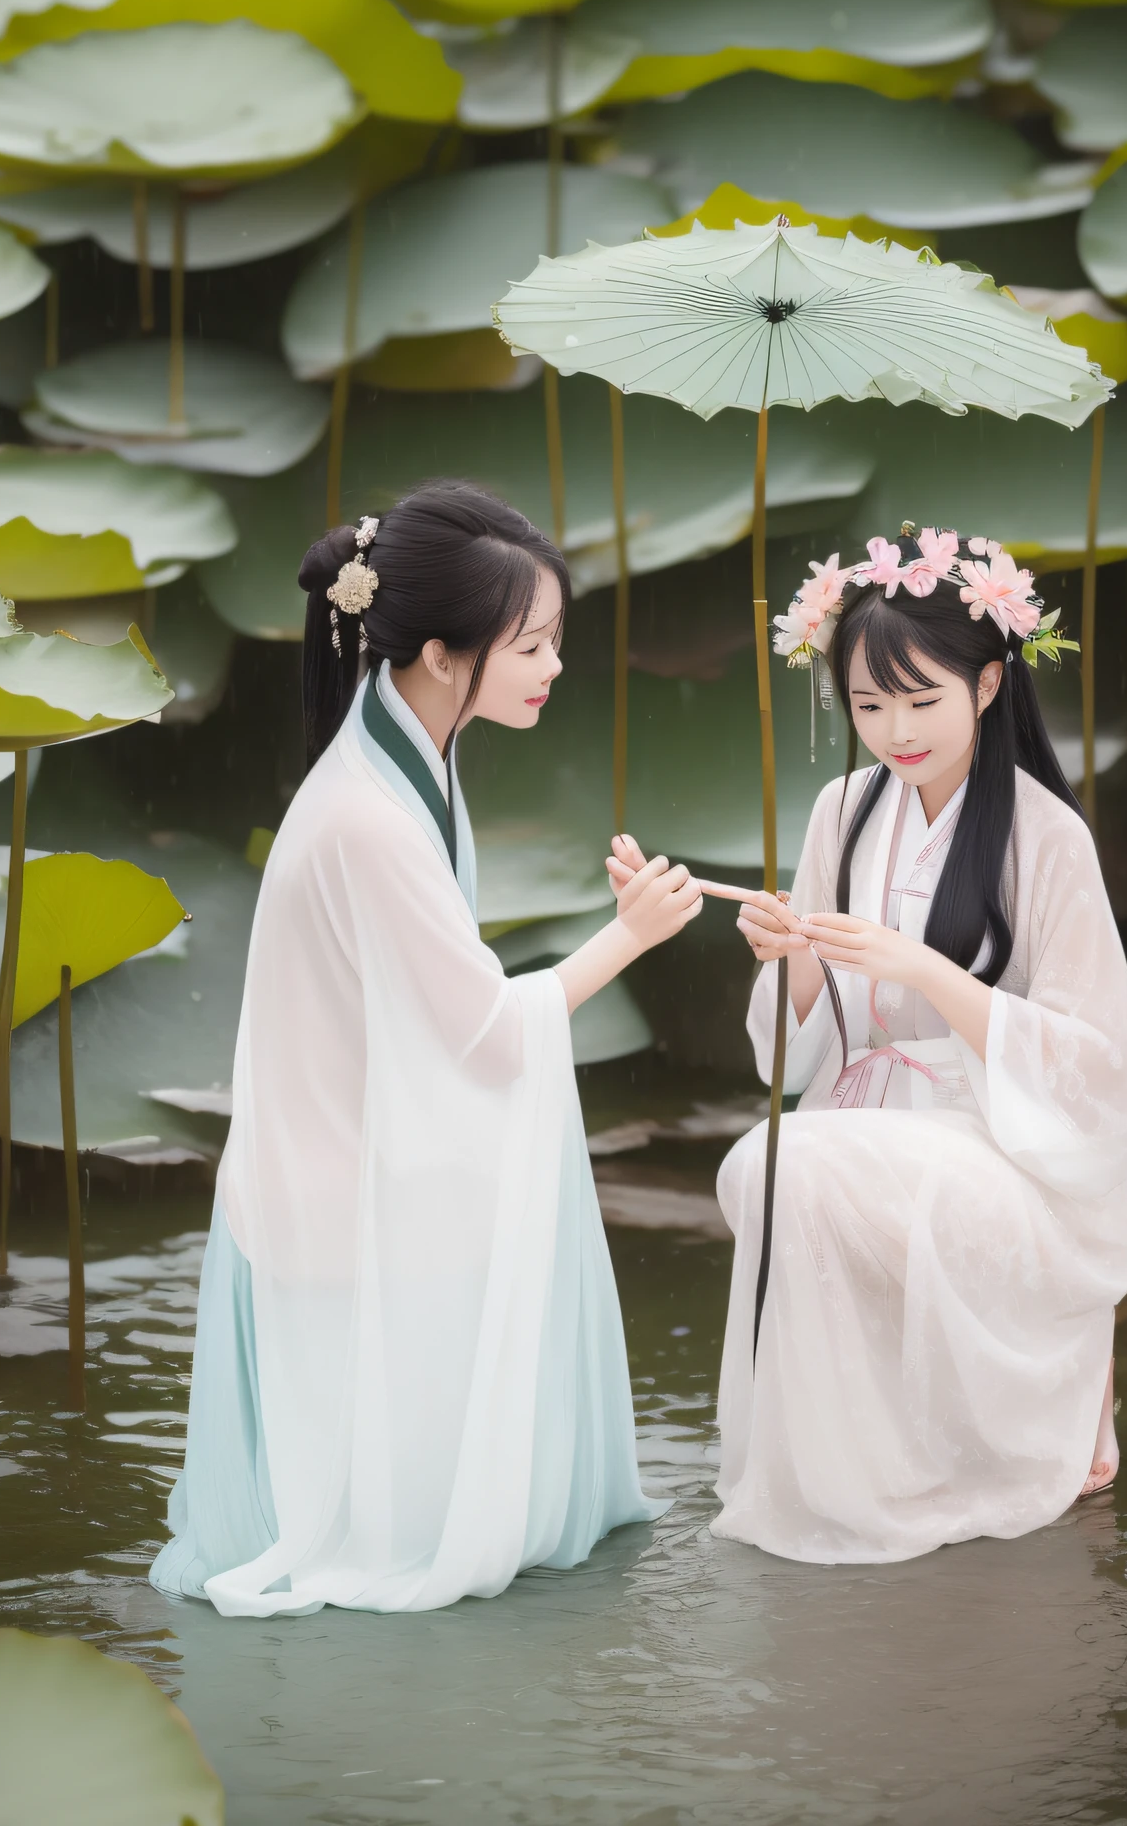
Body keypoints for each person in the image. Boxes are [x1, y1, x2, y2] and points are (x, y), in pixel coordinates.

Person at [153, 481, 701, 1615]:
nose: (553, 666)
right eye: (533, 644)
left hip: (337, 1149)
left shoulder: (411, 753)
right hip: (325, 1189)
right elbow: (491, 1033)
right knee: (521, 1148)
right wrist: (630, 934)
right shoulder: (366, 810)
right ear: (445, 655)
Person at [699, 525, 1127, 1565]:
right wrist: (790, 954)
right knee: (768, 1159)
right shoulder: (838, 812)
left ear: (988, 684)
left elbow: (1096, 1071)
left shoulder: (1046, 835)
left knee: (790, 1160)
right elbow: (793, 1050)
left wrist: (925, 970)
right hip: (862, 1114)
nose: (893, 729)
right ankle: (853, 1463)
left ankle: (1069, 1381)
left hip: (1002, 1140)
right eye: (865, 704)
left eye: (920, 698)